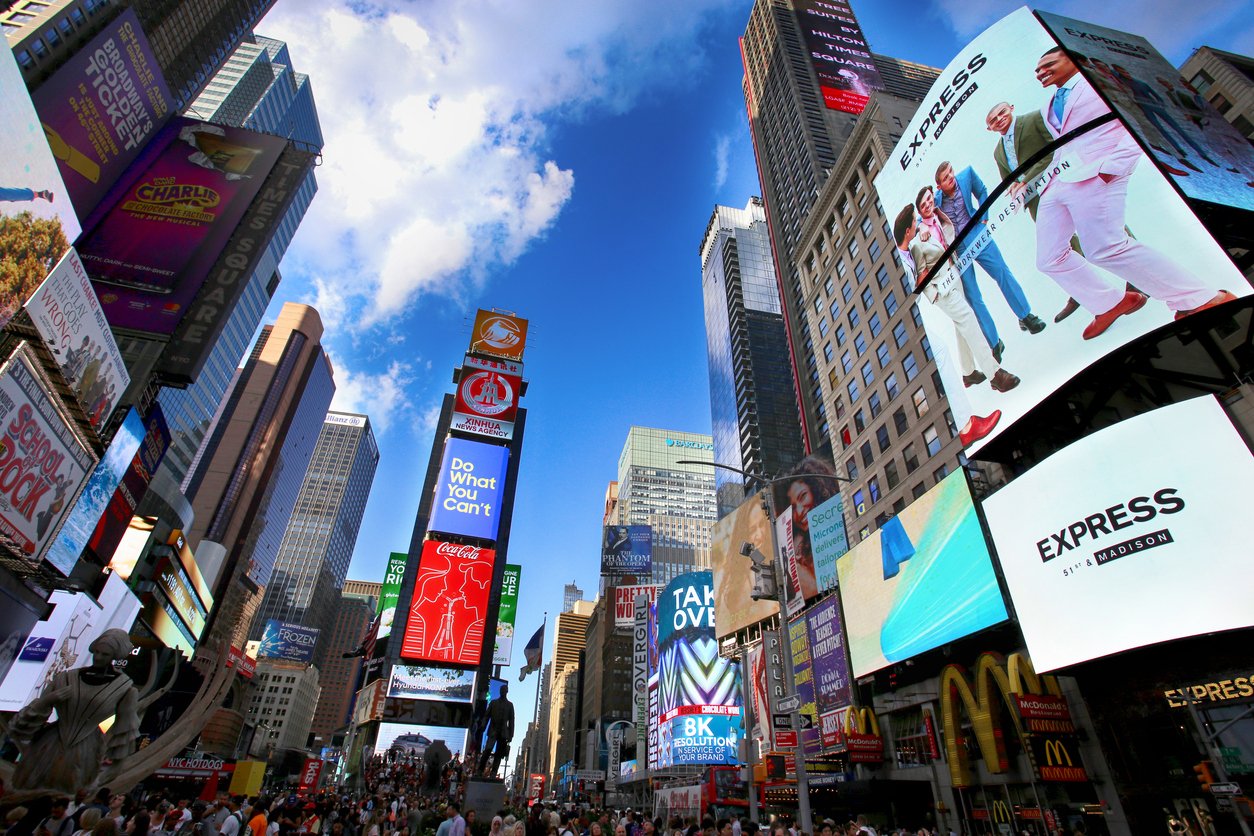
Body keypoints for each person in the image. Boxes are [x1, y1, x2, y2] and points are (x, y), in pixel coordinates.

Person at [1032, 47, 1235, 338]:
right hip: (1060, 182)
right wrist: (1047, 180)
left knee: (1105, 248)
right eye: (1038, 69)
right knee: (1048, 258)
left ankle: (1203, 298)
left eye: (1048, 64)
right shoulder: (1048, 104)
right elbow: (1065, 142)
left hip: (1098, 172)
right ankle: (1110, 303)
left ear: (1070, 58)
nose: (1041, 72)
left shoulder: (1099, 83)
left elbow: (1138, 119)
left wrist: (1115, 165)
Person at [896, 203, 1020, 396]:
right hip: (942, 291)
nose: (917, 222)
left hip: (951, 278)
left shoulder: (919, 233)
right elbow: (918, 280)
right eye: (914, 221)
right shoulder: (911, 249)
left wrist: (923, 225)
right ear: (907, 230)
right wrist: (933, 292)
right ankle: (994, 374)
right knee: (968, 319)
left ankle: (968, 372)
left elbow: (940, 232)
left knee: (960, 325)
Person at [8, 630, 140, 795]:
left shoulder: (125, 689)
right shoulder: (65, 677)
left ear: (115, 656)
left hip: (86, 752)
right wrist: (48, 700)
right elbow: (20, 727)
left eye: (105, 654)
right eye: (97, 652)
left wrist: (106, 775)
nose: (98, 657)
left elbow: (124, 734)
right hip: (48, 744)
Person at [933, 161, 1046, 341]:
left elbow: (982, 191)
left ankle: (1025, 316)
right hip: (958, 250)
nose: (951, 178)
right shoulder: (935, 201)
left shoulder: (967, 175)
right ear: (939, 185)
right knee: (973, 296)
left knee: (1002, 271)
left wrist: (984, 219)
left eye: (951, 172)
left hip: (978, 234)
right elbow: (927, 221)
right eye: (946, 178)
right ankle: (994, 342)